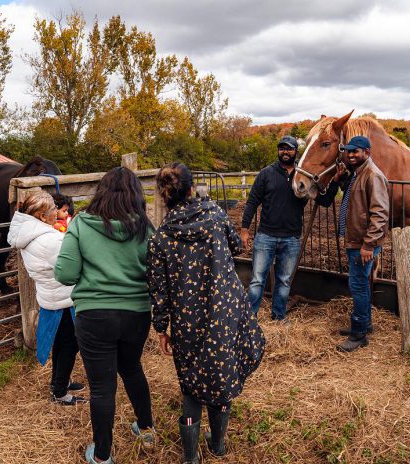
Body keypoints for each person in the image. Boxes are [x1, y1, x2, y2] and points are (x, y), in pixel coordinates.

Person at [147, 163, 265, 464]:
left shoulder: (160, 238)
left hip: (187, 320)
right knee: (221, 374)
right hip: (223, 312)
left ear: (166, 196)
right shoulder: (215, 216)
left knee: (191, 387)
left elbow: (158, 291)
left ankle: (190, 458)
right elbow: (237, 246)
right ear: (190, 189)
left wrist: (161, 328)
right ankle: (218, 445)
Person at [54, 167, 156, 464]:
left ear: (102, 192)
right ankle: (147, 429)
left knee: (102, 387)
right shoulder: (145, 228)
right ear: (136, 195)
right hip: (137, 313)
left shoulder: (81, 224)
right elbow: (154, 272)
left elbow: (66, 274)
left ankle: (101, 456)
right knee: (132, 368)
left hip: (95, 314)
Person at [240, 135, 340, 321]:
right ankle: (249, 318)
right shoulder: (266, 174)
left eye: (289, 148)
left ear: (296, 152)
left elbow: (324, 201)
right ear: (278, 151)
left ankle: (279, 316)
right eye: (282, 148)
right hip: (265, 236)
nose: (285, 151)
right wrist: (245, 229)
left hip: (291, 239)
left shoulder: (303, 177)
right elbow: (252, 202)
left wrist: (335, 181)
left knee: (284, 281)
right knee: (256, 280)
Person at [6, 192, 86, 406]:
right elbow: (73, 265)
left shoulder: (31, 235)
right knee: (70, 344)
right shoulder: (50, 240)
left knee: (61, 342)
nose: (56, 212)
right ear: (42, 216)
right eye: (53, 209)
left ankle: (59, 381)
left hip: (50, 295)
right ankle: (59, 392)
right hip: (63, 297)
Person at [332, 136, 390, 352]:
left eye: (355, 151)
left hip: (362, 244)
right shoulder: (360, 173)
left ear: (367, 151)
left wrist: (368, 244)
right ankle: (365, 324)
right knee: (361, 284)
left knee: (358, 286)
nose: (351, 155)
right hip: (358, 241)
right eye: (348, 151)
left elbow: (380, 213)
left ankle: (359, 335)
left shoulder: (373, 175)